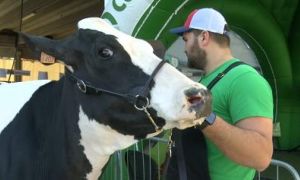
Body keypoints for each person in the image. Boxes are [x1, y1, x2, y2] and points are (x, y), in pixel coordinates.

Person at [166, 8, 274, 180]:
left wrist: (206, 117)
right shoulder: (205, 80)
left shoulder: (245, 80)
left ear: (203, 37)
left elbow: (260, 157)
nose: (184, 48)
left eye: (186, 40)